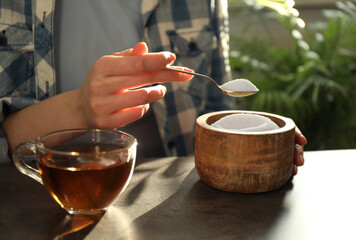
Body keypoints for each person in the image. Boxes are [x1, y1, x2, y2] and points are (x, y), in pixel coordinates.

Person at [0, 0, 306, 175]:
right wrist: (78, 108)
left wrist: (252, 143)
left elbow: (217, 102)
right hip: (42, 200)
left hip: (177, 198)